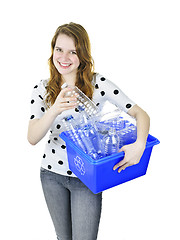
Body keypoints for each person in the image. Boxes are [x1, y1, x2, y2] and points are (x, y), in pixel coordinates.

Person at [27, 22, 150, 240]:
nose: (64, 57)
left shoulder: (98, 83)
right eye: (59, 49)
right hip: (51, 175)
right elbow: (32, 137)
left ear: (82, 55)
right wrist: (54, 109)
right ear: (52, 51)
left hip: (87, 177)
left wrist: (139, 144)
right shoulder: (42, 89)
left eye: (72, 51)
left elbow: (141, 114)